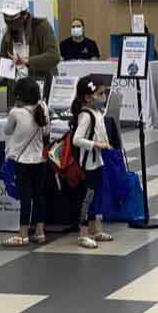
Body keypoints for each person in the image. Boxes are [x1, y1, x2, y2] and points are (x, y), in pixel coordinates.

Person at [3, 76, 49, 246]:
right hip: (40, 161)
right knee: (39, 197)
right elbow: (46, 132)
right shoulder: (43, 107)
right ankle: (40, 232)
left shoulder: (15, 113)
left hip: (22, 162)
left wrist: (14, 110)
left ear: (18, 96)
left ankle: (22, 234)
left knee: (25, 198)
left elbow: (7, 131)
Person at [68, 76, 114, 249]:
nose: (103, 97)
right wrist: (96, 145)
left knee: (96, 196)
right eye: (100, 93)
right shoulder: (86, 115)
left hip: (97, 162)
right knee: (87, 199)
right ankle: (83, 233)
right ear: (88, 97)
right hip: (87, 164)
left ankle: (96, 229)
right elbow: (76, 140)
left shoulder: (97, 113)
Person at [0, 0, 60, 86]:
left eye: (12, 16)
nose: (8, 20)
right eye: (6, 16)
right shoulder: (7, 36)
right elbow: (4, 75)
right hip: (17, 93)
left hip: (40, 89)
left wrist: (26, 61)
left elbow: (54, 56)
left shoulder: (42, 27)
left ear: (25, 15)